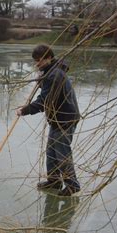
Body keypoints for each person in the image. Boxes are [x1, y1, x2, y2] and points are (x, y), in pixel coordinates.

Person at [16, 44, 80, 195]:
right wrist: (42, 79)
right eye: (35, 61)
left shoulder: (54, 75)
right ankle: (54, 181)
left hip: (65, 118)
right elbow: (48, 90)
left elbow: (44, 101)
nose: (37, 64)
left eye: (40, 60)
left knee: (62, 152)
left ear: (49, 57)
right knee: (51, 151)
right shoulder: (51, 72)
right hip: (57, 118)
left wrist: (24, 110)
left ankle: (72, 185)